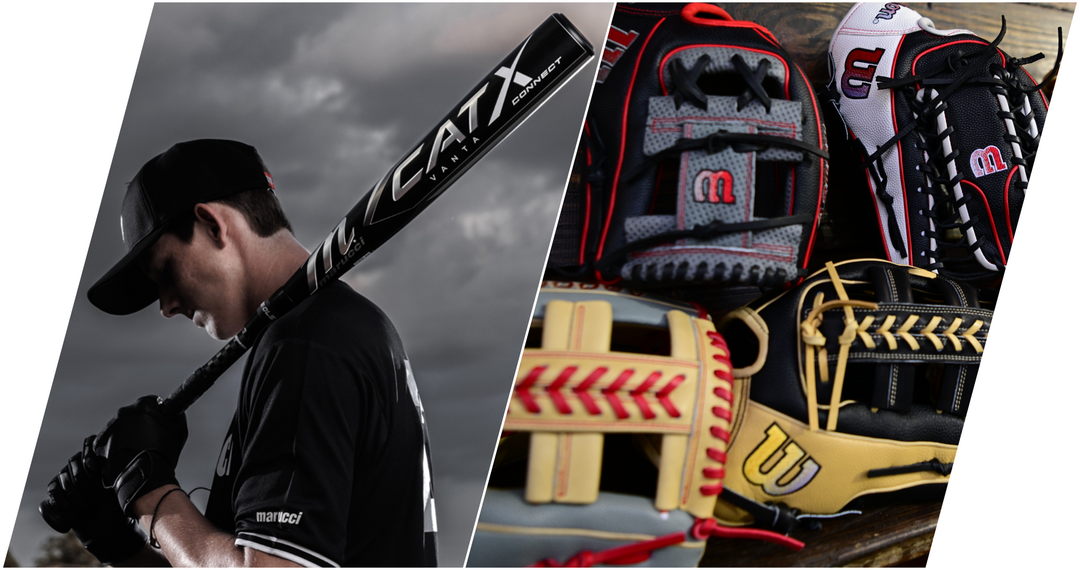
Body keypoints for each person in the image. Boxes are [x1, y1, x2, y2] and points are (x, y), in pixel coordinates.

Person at [41, 139, 438, 567]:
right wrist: (119, 543)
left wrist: (149, 491)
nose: (166, 305)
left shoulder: (307, 343)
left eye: (165, 272)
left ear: (212, 225)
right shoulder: (328, 329)